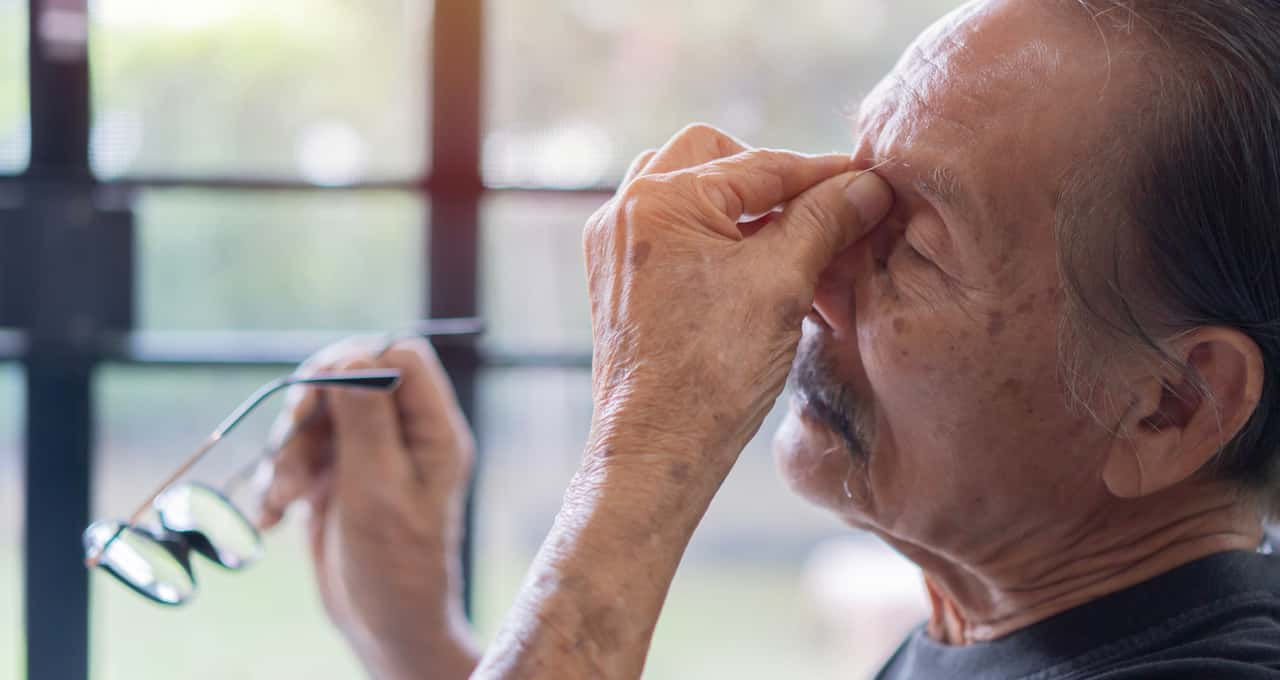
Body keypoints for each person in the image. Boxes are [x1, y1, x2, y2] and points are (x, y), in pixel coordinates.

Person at [257, 0, 1280, 677]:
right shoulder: (1014, 627)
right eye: (847, 192)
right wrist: (418, 641)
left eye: (908, 246)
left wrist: (646, 441)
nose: (806, 273)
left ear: (1170, 403)